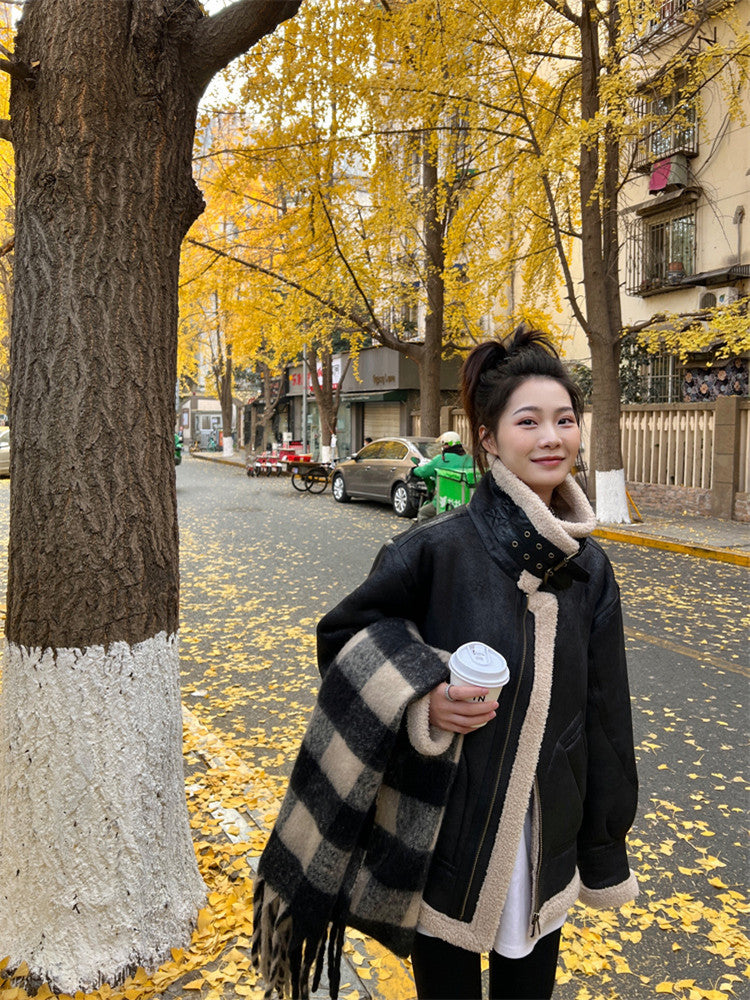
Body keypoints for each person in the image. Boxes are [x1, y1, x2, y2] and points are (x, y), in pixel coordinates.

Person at [252, 325, 638, 1000]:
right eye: (529, 421)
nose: (553, 437)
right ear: (487, 438)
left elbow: (607, 715)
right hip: (446, 839)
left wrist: (603, 846)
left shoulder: (591, 570)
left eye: (565, 420)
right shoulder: (437, 548)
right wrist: (423, 694)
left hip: (546, 837)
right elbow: (346, 636)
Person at [411, 429, 475, 522]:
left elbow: (423, 472)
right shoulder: (469, 459)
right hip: (467, 501)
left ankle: (427, 535)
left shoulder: (441, 459)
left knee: (423, 512)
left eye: (443, 444)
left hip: (444, 501)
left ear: (447, 445)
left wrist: (413, 471)